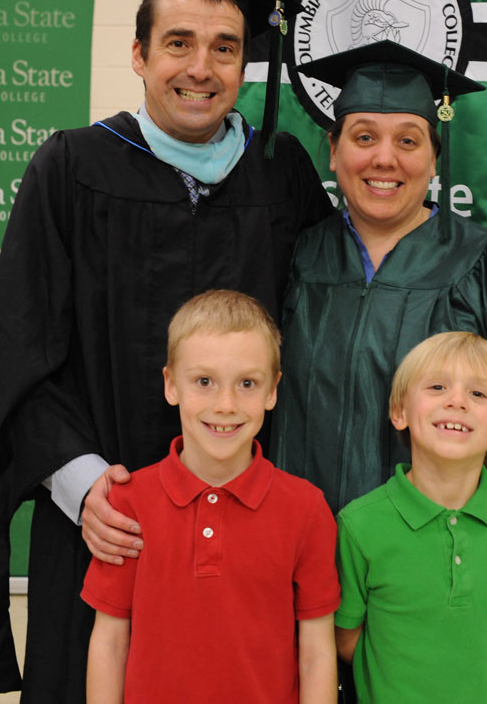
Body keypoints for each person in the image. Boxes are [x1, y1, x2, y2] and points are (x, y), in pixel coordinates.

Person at [0, 0, 332, 699]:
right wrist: (81, 486)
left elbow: (317, 342)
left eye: (225, 47)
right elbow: (17, 345)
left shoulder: (279, 177)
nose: (200, 68)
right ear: (139, 53)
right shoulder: (72, 168)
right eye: (178, 43)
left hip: (245, 529)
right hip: (103, 529)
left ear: (247, 62)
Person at [269, 40, 487, 699]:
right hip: (294, 591)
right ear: (332, 150)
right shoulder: (291, 261)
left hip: (434, 605)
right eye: (363, 136)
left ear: (436, 158)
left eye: (409, 140)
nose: (384, 159)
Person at [81, 289, 340, 703]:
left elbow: (316, 653)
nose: (225, 404)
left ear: (272, 391)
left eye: (247, 384)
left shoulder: (306, 508)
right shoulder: (128, 503)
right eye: (204, 381)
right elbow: (110, 642)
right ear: (171, 385)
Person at [335, 331, 487, 704]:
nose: (456, 402)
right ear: (399, 412)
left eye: (478, 394)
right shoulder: (360, 524)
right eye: (437, 387)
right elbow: (346, 638)